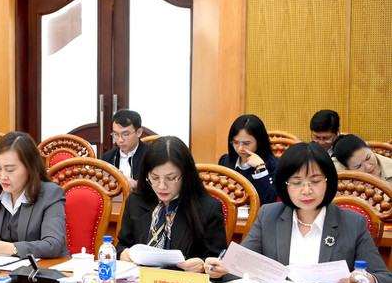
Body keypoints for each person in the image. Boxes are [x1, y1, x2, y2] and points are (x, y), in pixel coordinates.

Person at [206, 142, 392, 283]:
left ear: (329, 182)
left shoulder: (353, 222)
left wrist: (368, 282)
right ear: (284, 185)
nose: (306, 190)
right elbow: (237, 267)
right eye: (296, 183)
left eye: (316, 181)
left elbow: (385, 279)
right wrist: (218, 269)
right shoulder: (268, 216)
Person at [117, 136, 227, 272]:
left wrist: (202, 265)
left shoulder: (208, 208)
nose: (161, 186)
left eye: (171, 178)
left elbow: (218, 261)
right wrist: (124, 253)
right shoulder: (136, 201)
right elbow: (122, 245)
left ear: (185, 175)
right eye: (154, 178)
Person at [0, 131, 69, 259]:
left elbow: (53, 245)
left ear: (30, 167)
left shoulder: (50, 194)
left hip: (43, 272)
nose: (2, 176)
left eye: (10, 169)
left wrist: (9, 248)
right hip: (3, 273)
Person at [218, 114, 278, 204]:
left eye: (246, 143)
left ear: (259, 142)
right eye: (236, 142)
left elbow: (269, 201)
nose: (240, 148)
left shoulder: (274, 165)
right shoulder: (225, 161)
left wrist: (261, 169)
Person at [101, 109, 147, 190]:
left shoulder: (151, 155)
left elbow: (160, 187)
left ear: (139, 132)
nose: (120, 140)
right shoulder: (108, 157)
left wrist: (137, 184)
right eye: (115, 134)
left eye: (125, 134)